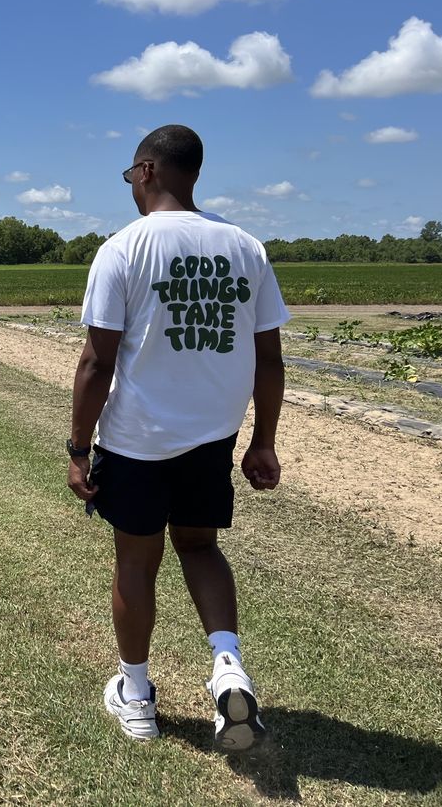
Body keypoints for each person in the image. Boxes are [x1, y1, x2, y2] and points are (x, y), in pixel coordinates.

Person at [67, 125, 288, 750]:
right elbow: (268, 359)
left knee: (136, 560)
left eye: (130, 177)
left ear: (147, 171)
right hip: (212, 438)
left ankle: (136, 694)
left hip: (137, 440)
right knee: (200, 546)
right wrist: (262, 441)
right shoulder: (245, 248)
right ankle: (228, 669)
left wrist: (79, 448)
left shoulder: (123, 249)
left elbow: (95, 362)